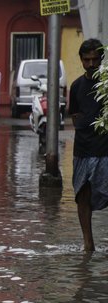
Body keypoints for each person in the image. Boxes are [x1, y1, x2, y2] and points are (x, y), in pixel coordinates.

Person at [69, 38, 108, 252]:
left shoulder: (106, 85)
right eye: (87, 60)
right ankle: (88, 244)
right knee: (82, 195)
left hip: (105, 149)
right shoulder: (76, 86)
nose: (91, 64)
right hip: (83, 149)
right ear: (81, 60)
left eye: (95, 59)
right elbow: (75, 116)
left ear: (101, 59)